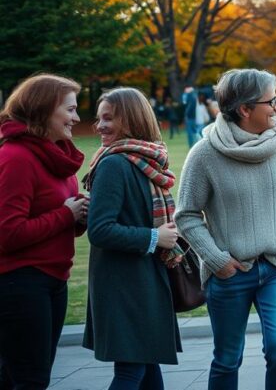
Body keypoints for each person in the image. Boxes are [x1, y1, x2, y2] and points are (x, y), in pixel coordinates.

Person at [175, 69, 276, 390]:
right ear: (245, 109)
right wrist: (216, 260)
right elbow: (186, 215)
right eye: (271, 101)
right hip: (230, 272)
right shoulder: (205, 153)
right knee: (227, 358)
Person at [82, 87, 182, 388]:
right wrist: (154, 237)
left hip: (144, 279)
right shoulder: (113, 164)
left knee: (148, 370)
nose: (99, 126)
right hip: (123, 284)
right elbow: (99, 230)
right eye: (100, 119)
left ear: (131, 119)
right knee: (132, 371)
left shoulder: (147, 161)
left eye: (108, 118)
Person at [0, 74, 87, 389]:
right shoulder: (16, 157)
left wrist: (79, 218)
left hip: (54, 280)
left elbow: (57, 219)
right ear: (43, 109)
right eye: (70, 110)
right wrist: (65, 214)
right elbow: (8, 234)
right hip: (20, 283)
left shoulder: (57, 156)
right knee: (29, 380)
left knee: (25, 377)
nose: (76, 118)